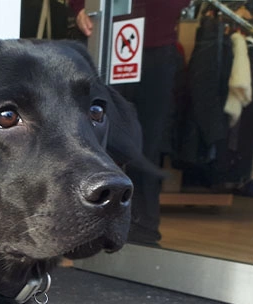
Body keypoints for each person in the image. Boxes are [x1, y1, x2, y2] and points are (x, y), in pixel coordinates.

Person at [71, 0, 190, 245]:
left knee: (147, 142)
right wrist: (80, 6)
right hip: (104, 37)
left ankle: (144, 229)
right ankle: (82, 224)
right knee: (88, 137)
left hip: (155, 47)